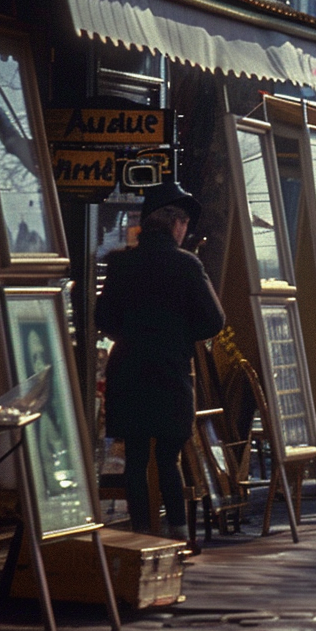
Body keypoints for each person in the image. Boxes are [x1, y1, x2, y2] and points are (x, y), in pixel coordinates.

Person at [95, 180, 224, 540]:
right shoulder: (187, 265)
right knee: (169, 457)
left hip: (129, 372)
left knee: (135, 459)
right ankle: (179, 534)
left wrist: (131, 333)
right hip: (171, 372)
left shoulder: (120, 264)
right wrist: (180, 332)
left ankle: (139, 535)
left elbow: (103, 318)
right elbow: (214, 321)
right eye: (184, 223)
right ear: (176, 224)